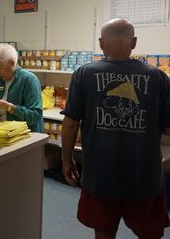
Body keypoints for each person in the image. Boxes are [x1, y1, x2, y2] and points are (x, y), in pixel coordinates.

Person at [61, 18, 170, 239]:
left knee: (104, 232)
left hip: (100, 176)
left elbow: (71, 123)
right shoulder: (158, 76)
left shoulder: (84, 74)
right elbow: (168, 129)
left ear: (101, 43)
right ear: (134, 42)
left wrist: (66, 159)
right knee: (150, 233)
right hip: (144, 176)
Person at [0, 43, 44, 132]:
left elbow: (34, 116)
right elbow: (1, 112)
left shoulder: (29, 80)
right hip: (4, 133)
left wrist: (10, 107)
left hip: (27, 136)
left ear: (12, 63)